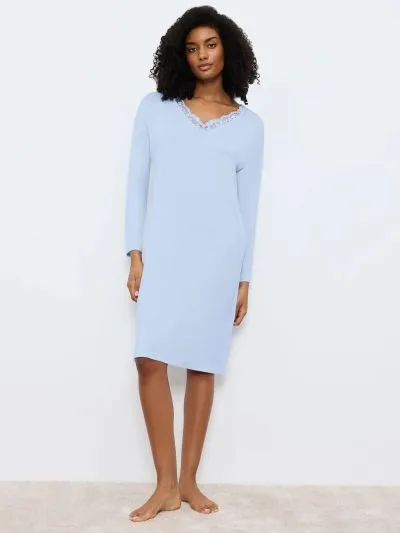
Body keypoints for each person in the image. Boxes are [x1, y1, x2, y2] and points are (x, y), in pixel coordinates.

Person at [124, 5, 264, 523]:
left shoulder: (249, 126)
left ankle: (187, 481)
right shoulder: (154, 109)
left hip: (218, 256)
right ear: (179, 54)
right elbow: (136, 183)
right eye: (192, 47)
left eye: (210, 44)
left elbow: (248, 205)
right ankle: (164, 484)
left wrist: (245, 276)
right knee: (149, 359)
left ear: (228, 49)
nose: (202, 55)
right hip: (164, 250)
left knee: (203, 362)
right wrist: (135, 252)